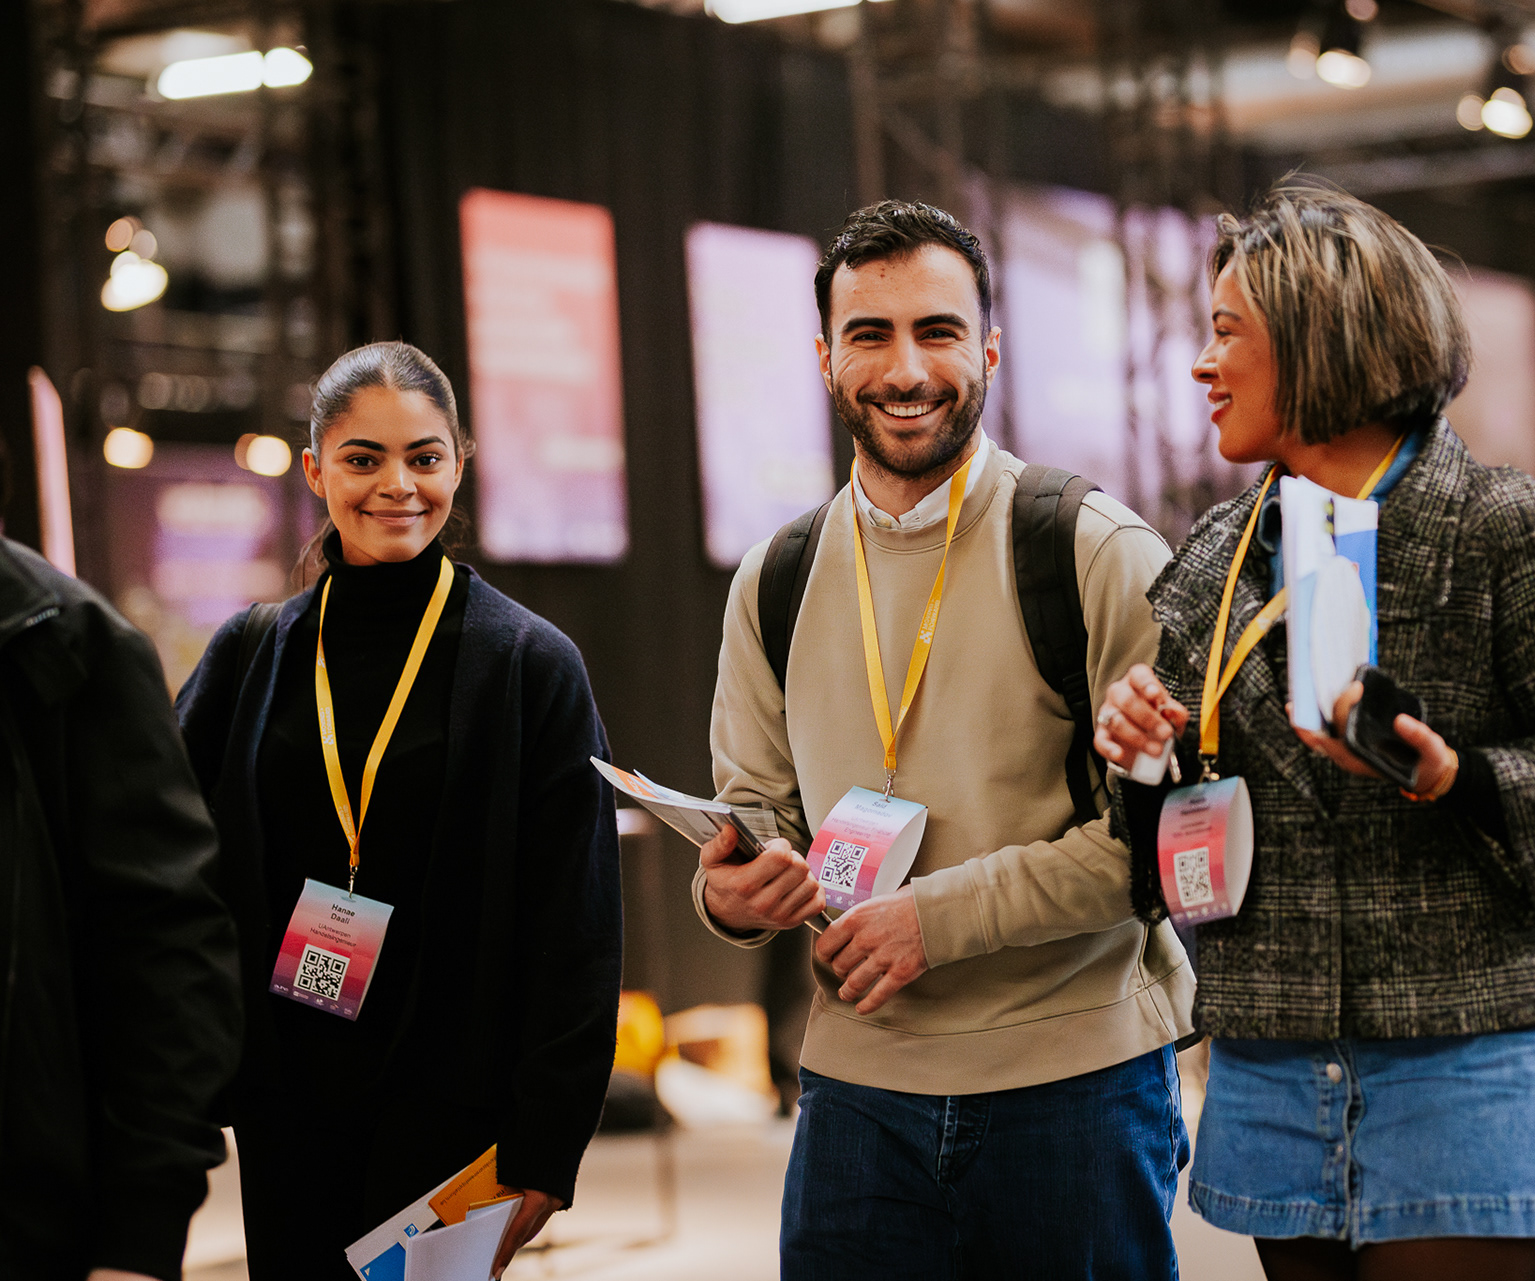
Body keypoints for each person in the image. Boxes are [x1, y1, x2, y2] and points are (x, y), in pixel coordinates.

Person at [1096, 185, 1535, 1281]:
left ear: (1322, 337)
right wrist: (1143, 755)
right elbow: (1160, 839)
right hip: (1274, 1055)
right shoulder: (1215, 554)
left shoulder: (1507, 528)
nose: (1201, 365)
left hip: (1471, 1047)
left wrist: (1455, 777)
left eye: (1227, 332)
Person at [695, 200, 1194, 1278]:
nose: (906, 369)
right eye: (870, 335)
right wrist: (730, 896)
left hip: (1074, 1085)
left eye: (938, 331)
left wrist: (936, 920)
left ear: (990, 351)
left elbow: (1160, 843)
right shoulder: (775, 577)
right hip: (856, 1097)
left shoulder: (1092, 550)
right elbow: (754, 815)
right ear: (826, 360)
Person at [175, 342, 621, 1280]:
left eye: (424, 457)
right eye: (363, 458)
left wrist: (547, 1143)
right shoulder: (252, 653)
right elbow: (169, 866)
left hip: (456, 1111)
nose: (397, 485)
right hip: (289, 1107)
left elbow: (577, 925)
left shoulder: (531, 665)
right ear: (315, 470)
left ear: (460, 462)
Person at [0, 531, 243, 1281]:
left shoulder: (61, 638)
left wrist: (141, 1234)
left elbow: (165, 942)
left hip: (29, 1220)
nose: (396, 486)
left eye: (425, 468)